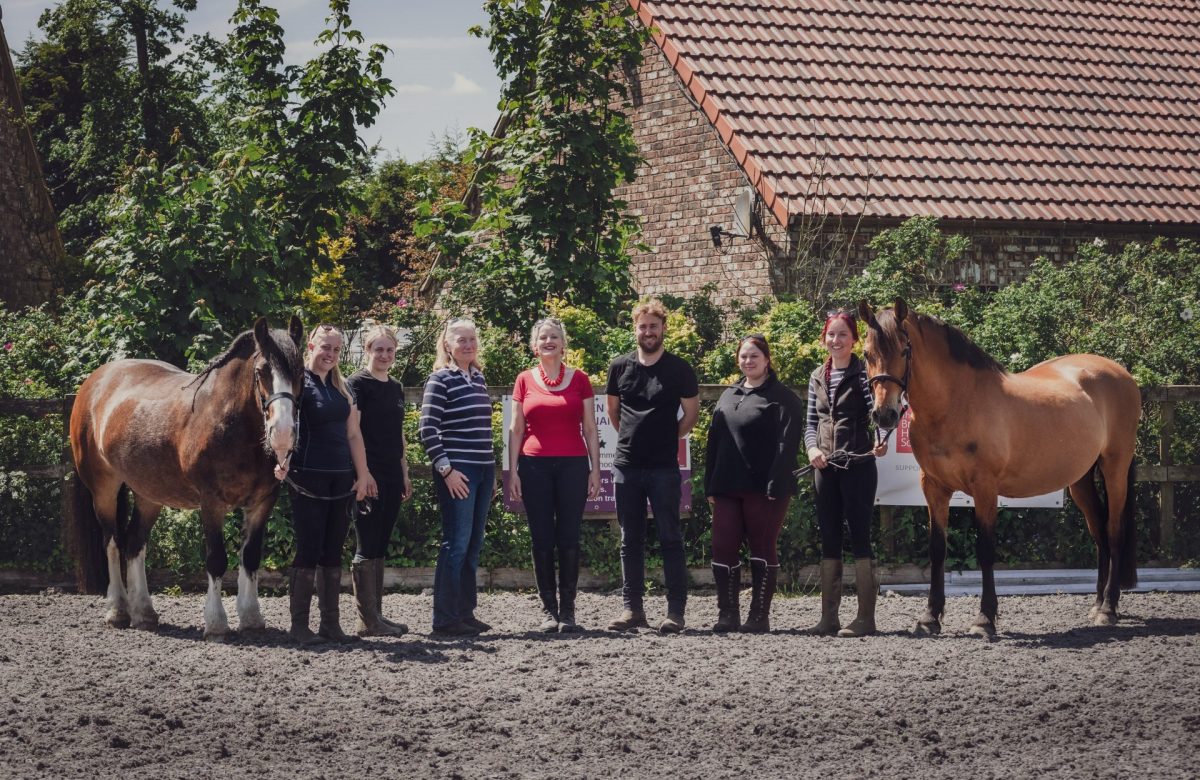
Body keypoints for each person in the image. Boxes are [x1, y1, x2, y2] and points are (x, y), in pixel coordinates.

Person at [274, 324, 376, 645]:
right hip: (307, 478)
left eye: (335, 349)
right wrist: (281, 459)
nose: (330, 354)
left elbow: (354, 435)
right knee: (309, 548)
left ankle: (331, 624)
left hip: (341, 479)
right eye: (324, 347)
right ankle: (299, 626)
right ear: (311, 348)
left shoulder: (343, 388)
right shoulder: (298, 385)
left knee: (333, 550)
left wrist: (362, 475)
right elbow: (283, 424)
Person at [605, 300, 700, 634]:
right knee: (630, 539)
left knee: (670, 537)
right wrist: (636, 439)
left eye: (653, 326)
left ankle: (676, 612)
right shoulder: (619, 367)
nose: (648, 332)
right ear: (635, 329)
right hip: (628, 466)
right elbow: (615, 414)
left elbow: (691, 415)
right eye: (643, 326)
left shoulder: (679, 369)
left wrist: (665, 437)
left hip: (664, 467)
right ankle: (633, 610)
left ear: (663, 329)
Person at [704, 335, 804, 633]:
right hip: (727, 485)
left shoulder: (783, 398)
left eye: (754, 356)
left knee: (761, 547)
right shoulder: (728, 394)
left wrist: (776, 482)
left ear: (767, 359)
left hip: (765, 488)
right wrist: (711, 482)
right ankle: (727, 613)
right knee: (722, 547)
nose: (749, 361)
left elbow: (788, 445)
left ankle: (759, 616)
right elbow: (714, 440)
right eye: (744, 356)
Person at [508, 318, 602, 632]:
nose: (549, 342)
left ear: (563, 344)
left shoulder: (581, 379)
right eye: (543, 337)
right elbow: (516, 429)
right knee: (542, 539)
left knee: (569, 537)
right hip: (533, 467)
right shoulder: (523, 379)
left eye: (555, 337)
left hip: (574, 466)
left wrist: (595, 469)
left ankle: (569, 611)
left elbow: (590, 427)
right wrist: (513, 473)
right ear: (535, 345)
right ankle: (549, 610)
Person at [804, 310, 888, 637]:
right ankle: (829, 618)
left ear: (854, 340)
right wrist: (812, 450)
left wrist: (880, 442)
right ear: (824, 338)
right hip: (825, 468)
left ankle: (866, 618)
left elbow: (877, 415)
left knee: (860, 538)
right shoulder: (816, 376)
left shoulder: (864, 374)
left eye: (842, 335)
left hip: (858, 467)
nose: (836, 341)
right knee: (829, 538)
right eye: (831, 335)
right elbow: (811, 422)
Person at [419, 318, 497, 637]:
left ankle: (465, 612)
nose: (467, 345)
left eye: (471, 339)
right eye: (460, 340)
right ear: (447, 345)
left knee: (474, 544)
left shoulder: (478, 378)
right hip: (458, 472)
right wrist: (446, 470)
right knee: (456, 543)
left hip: (482, 470)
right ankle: (445, 618)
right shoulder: (440, 379)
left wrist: (491, 476)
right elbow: (427, 429)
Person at [345, 323, 412, 637]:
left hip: (392, 474)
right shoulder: (357, 384)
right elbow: (353, 432)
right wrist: (363, 474)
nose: (384, 355)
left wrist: (405, 472)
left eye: (389, 350)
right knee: (367, 541)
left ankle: (378, 617)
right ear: (367, 350)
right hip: (367, 475)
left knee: (381, 544)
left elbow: (398, 434)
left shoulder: (396, 386)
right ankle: (366, 621)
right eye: (378, 349)